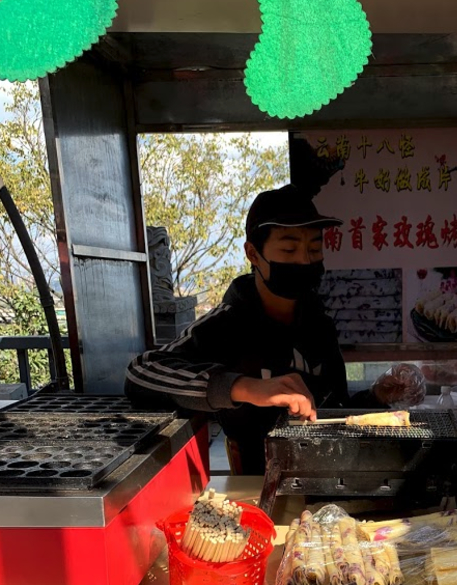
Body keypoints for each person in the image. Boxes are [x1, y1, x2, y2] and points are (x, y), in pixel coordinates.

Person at [126, 184, 404, 474]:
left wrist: (375, 396)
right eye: (289, 249)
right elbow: (140, 371)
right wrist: (244, 387)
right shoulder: (227, 324)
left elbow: (335, 408)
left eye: (314, 248)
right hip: (256, 484)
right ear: (253, 254)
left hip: (327, 475)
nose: (305, 260)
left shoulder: (320, 325)